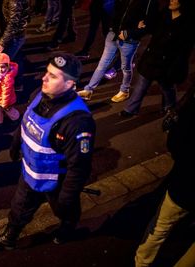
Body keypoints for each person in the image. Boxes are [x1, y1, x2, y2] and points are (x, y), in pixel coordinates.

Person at [0, 53, 96, 250]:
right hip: (31, 173)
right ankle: (9, 237)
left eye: (53, 76)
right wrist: (15, 144)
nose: (44, 78)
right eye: (46, 72)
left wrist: (68, 196)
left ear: (70, 84)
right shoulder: (39, 94)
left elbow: (79, 167)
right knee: (19, 207)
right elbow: (25, 121)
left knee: (65, 210)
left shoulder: (78, 122)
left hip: (57, 182)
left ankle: (67, 229)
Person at [134, 82, 195, 267]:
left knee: (160, 226)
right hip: (187, 181)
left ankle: (142, 262)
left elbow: (176, 143)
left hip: (187, 184)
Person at [119, 0, 195, 117]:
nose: (172, 1)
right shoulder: (164, 14)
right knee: (142, 83)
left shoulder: (187, 23)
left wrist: (179, 64)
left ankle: (169, 107)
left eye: (175, 0)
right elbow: (151, 26)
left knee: (166, 86)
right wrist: (142, 25)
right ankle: (130, 109)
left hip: (169, 61)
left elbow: (185, 48)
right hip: (153, 56)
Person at [76, 0, 158, 103]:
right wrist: (113, 27)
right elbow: (114, 11)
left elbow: (150, 26)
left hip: (129, 40)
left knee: (126, 67)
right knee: (102, 64)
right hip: (113, 34)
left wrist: (129, 33)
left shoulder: (150, 2)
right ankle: (88, 90)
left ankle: (124, 90)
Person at [0, 0, 30, 92]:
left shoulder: (14, 1)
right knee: (17, 60)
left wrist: (2, 43)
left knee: (2, 65)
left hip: (14, 37)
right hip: (16, 35)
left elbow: (13, 24)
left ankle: (2, 94)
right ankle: (17, 85)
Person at [0, 53, 20, 129]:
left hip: (6, 100)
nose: (0, 69)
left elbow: (6, 93)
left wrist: (5, 103)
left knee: (9, 110)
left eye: (3, 67)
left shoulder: (7, 79)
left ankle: (16, 118)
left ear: (7, 66)